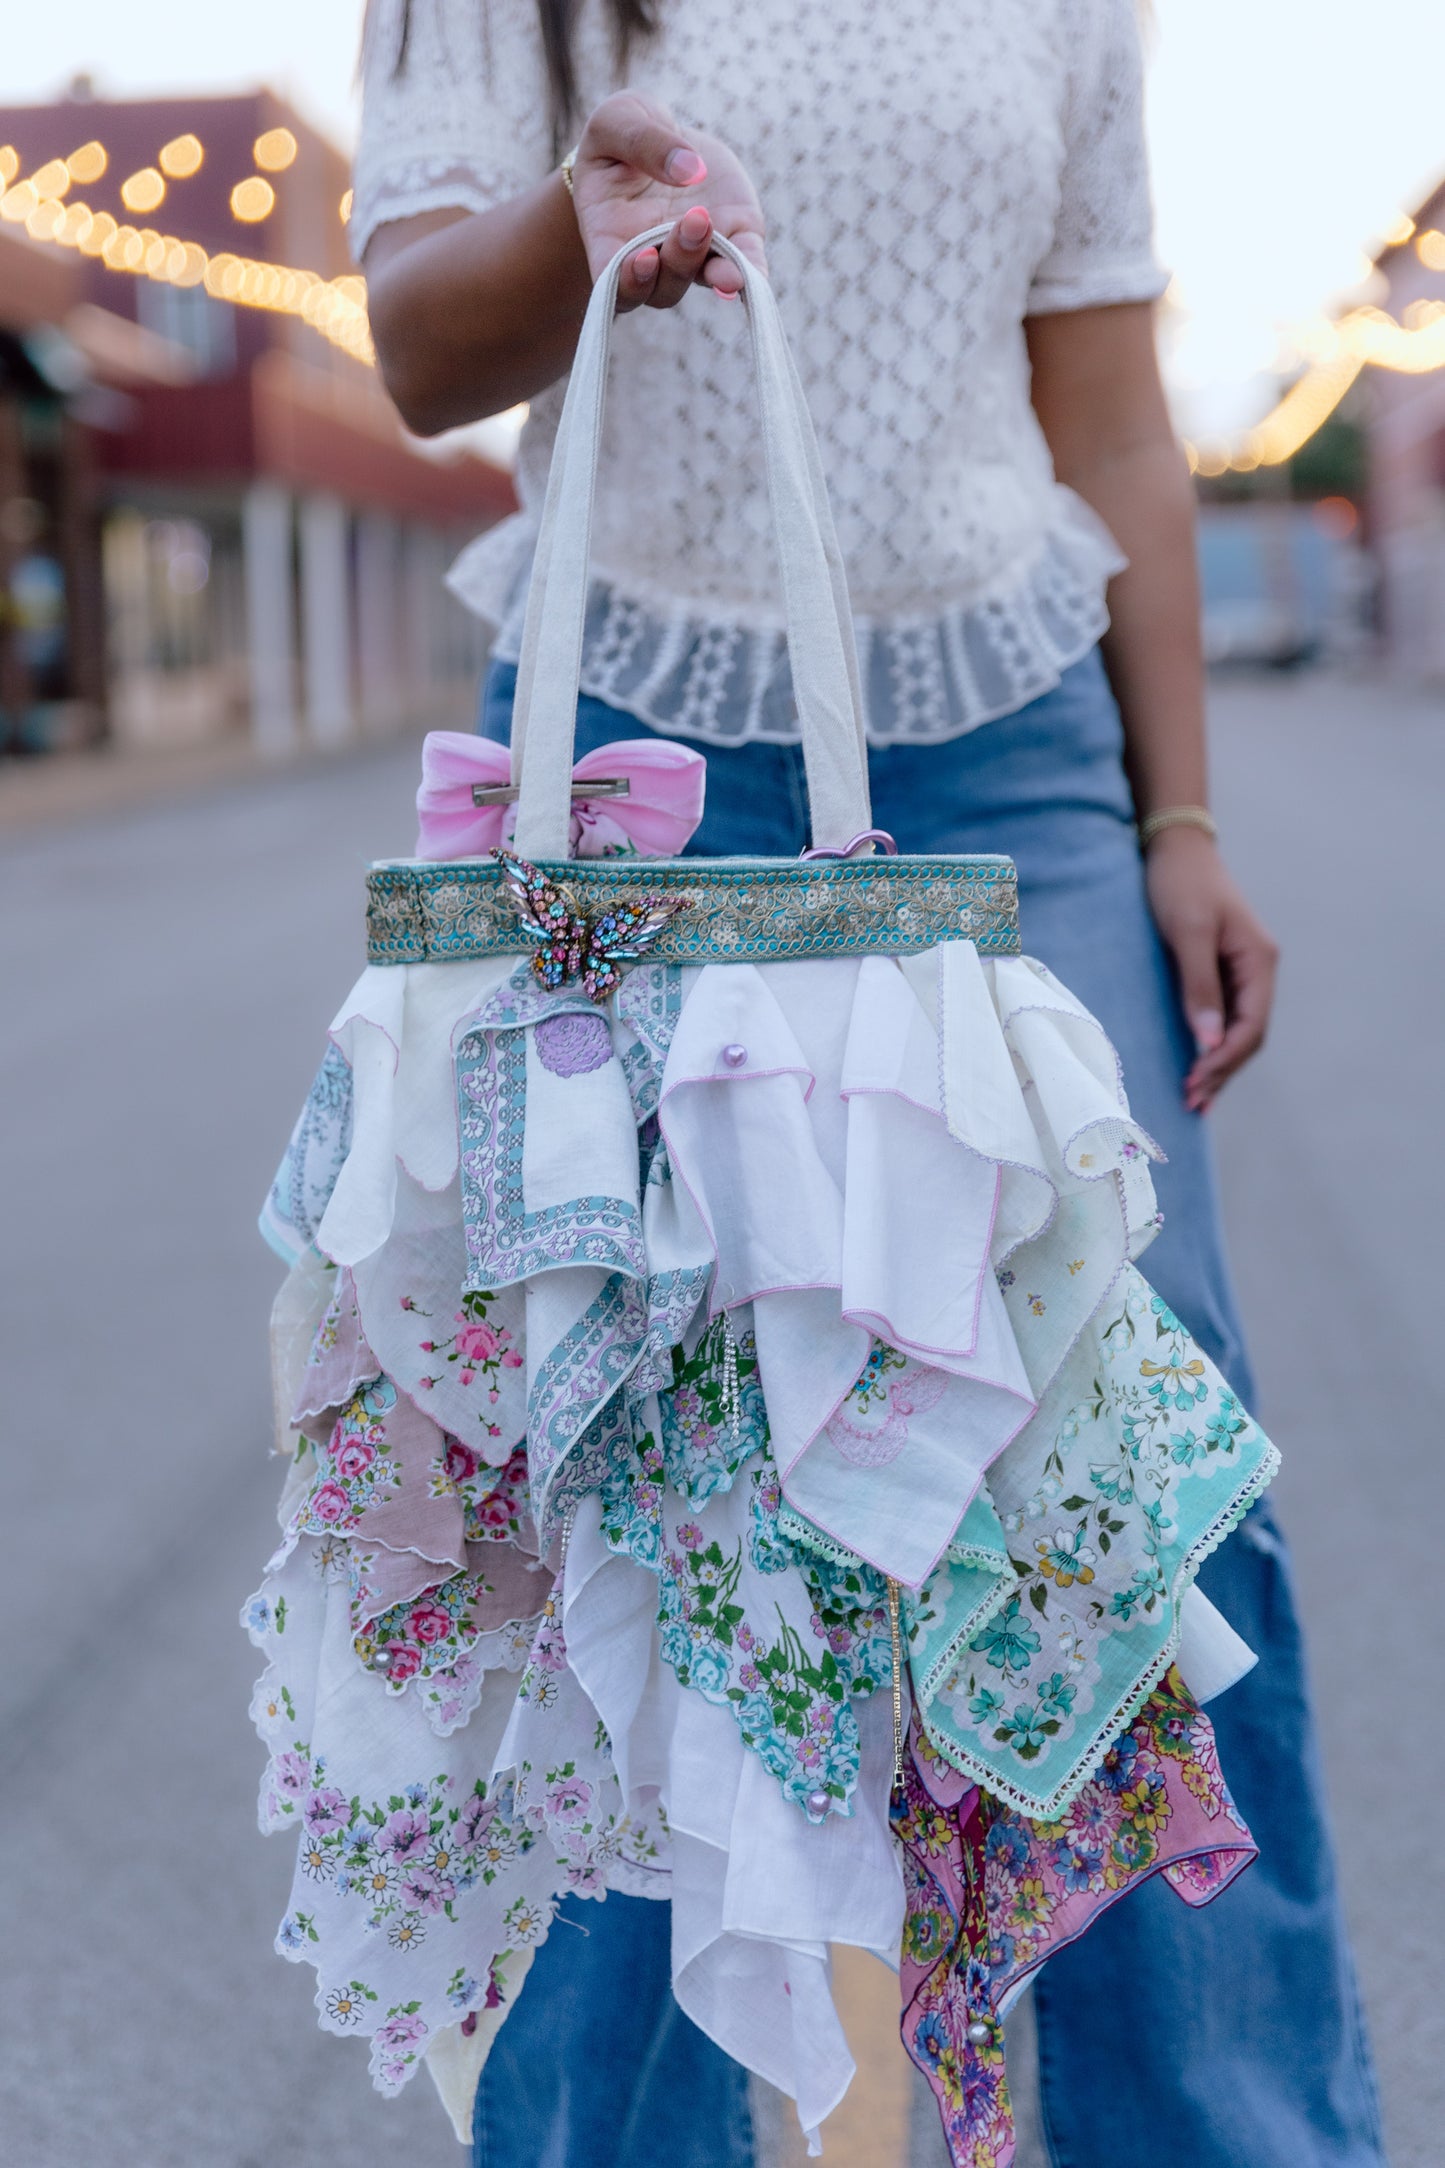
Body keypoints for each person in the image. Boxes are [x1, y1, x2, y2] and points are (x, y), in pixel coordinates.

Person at [350, 3, 1385, 2162]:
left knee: (1133, 1457)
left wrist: (1179, 825)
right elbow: (427, 352)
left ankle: (1224, 2131)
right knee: (616, 1477)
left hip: (1012, 745)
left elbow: (1105, 425)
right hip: (630, 733)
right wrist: (582, 212)